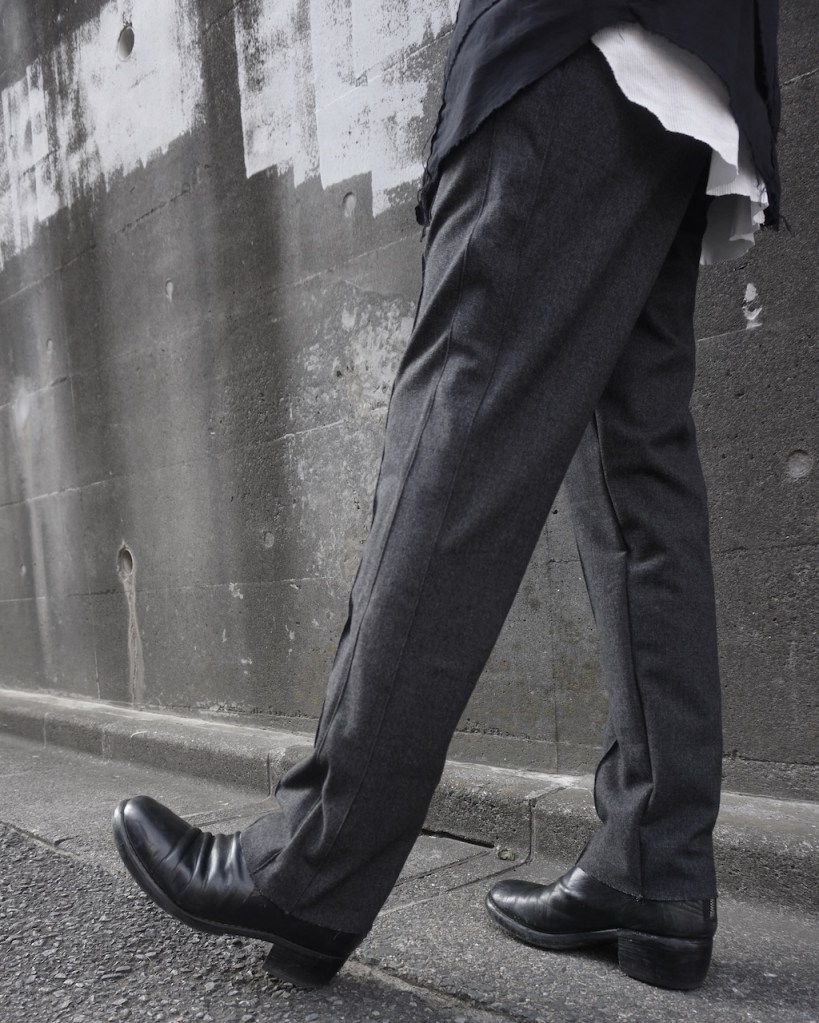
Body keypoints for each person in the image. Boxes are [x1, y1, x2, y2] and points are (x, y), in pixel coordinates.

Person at [113, 0, 781, 994]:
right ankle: (656, 863)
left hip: (571, 48)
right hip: (696, 63)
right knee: (640, 482)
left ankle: (312, 861)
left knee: (458, 426)